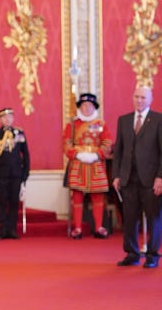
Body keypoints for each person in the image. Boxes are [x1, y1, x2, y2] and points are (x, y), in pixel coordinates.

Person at [112, 85, 162, 268]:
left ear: (150, 99)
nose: (139, 100)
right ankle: (132, 253)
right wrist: (116, 175)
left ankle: (152, 255)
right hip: (128, 179)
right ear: (132, 98)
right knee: (130, 218)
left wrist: (160, 177)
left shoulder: (158, 120)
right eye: (136, 96)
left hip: (151, 180)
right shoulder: (123, 120)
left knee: (154, 217)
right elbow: (118, 151)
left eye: (143, 97)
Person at [62, 93, 113, 239]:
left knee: (98, 196)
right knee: (77, 196)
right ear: (79, 107)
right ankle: (77, 228)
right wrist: (77, 154)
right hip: (78, 164)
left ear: (94, 107)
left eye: (89, 106)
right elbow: (66, 143)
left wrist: (97, 155)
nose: (86, 108)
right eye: (84, 105)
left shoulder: (101, 125)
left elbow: (108, 142)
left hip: (96, 164)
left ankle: (99, 227)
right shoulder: (72, 125)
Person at [0, 108, 30, 239]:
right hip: (1, 173)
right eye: (5, 117)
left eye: (10, 117)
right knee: (3, 201)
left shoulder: (19, 133)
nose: (8, 119)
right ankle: (3, 229)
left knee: (14, 201)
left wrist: (25, 173)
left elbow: (26, 155)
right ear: (0, 119)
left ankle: (12, 229)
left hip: (16, 173)